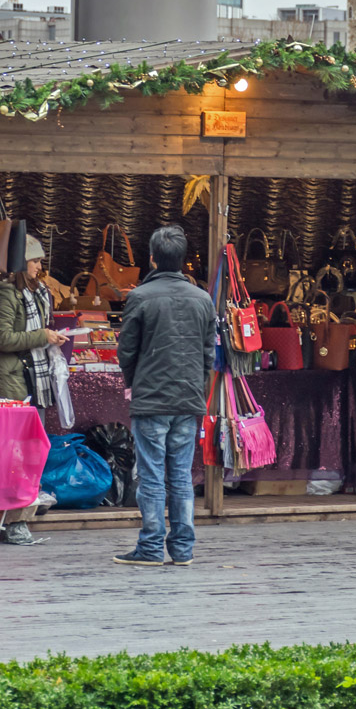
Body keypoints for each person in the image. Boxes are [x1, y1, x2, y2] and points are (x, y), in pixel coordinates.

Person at [113, 225, 215, 567]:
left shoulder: (140, 297)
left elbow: (126, 351)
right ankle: (183, 550)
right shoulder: (203, 299)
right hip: (188, 399)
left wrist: (134, 382)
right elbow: (207, 356)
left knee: (153, 475)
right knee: (181, 475)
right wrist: (197, 388)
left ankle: (151, 547)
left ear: (153, 259)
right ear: (182, 260)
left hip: (152, 398)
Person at [0, 235, 64, 545]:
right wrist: (41, 335)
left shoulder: (39, 292)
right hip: (13, 380)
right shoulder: (5, 294)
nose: (39, 266)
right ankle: (13, 523)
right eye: (34, 261)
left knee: (31, 452)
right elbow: (3, 339)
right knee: (15, 455)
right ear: (20, 264)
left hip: (34, 378)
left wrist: (48, 336)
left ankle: (22, 515)